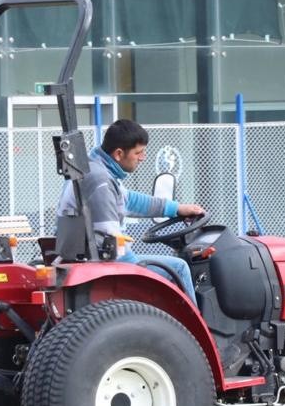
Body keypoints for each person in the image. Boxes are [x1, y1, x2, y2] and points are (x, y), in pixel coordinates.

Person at [54, 119, 203, 299]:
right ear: (118, 154)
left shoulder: (95, 169)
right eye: (138, 152)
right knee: (178, 268)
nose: (143, 157)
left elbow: (130, 200)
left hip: (93, 257)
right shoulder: (101, 181)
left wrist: (177, 208)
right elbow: (112, 243)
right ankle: (193, 327)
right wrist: (141, 272)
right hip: (105, 262)